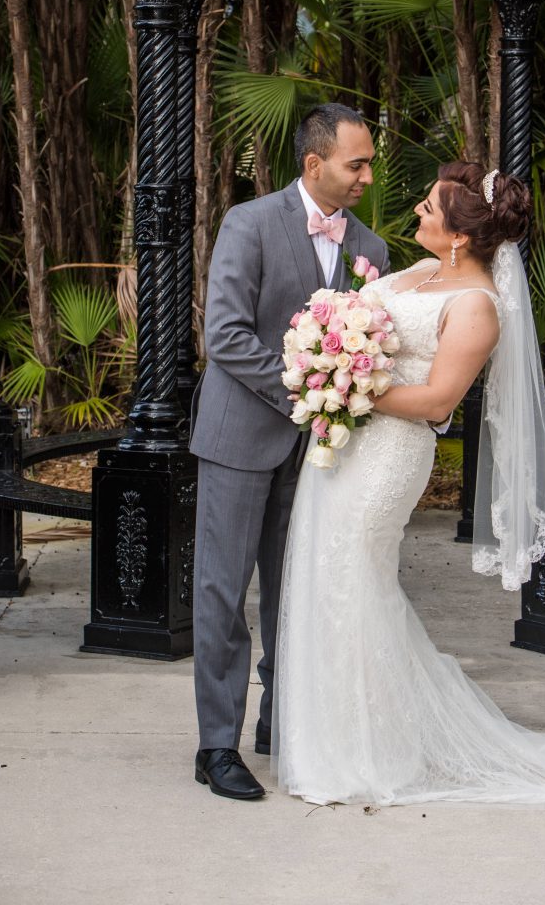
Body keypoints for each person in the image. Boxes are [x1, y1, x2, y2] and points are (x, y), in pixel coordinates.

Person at [273, 162, 545, 805]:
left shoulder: (476, 309)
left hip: (388, 455)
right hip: (343, 441)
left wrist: (346, 385)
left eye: (429, 206)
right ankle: (330, 735)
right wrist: (329, 356)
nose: (415, 210)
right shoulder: (421, 273)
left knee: (354, 578)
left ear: (460, 236)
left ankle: (367, 748)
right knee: (324, 573)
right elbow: (366, 320)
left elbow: (439, 400)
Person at [190, 103, 390, 801]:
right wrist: (306, 393)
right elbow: (226, 336)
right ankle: (217, 745)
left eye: (369, 163)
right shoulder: (249, 224)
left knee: (293, 593)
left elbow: (372, 346)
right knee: (222, 592)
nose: (367, 175)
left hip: (319, 455)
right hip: (240, 439)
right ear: (314, 165)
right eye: (355, 164)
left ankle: (281, 721)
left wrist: (339, 404)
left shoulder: (372, 247)